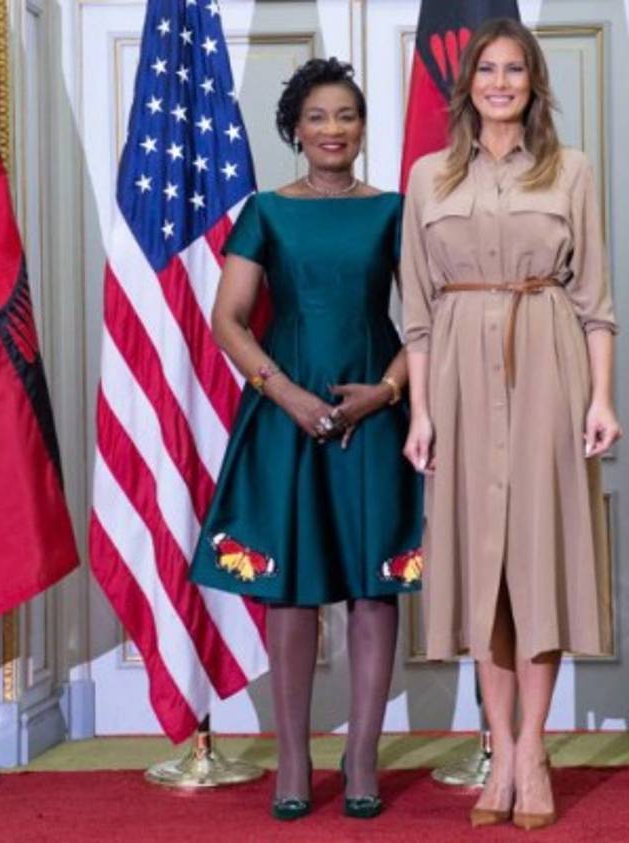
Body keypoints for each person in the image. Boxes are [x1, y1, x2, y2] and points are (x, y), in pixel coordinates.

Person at [400, 18, 622, 831]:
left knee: (540, 565)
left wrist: (600, 400)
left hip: (549, 369)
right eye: (487, 69)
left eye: (515, 70)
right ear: (468, 85)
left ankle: (533, 750)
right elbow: (416, 315)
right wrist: (420, 413)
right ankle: (498, 747)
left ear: (534, 84)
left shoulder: (574, 171)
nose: (500, 82)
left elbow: (597, 302)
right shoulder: (427, 177)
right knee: (480, 572)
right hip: (456, 379)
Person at [189, 57, 422, 822]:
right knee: (289, 588)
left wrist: (385, 392)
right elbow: (228, 317)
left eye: (346, 115)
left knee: (370, 583)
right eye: (317, 117)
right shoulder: (266, 210)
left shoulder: (393, 209)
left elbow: (424, 320)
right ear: (294, 128)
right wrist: (286, 393)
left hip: (374, 412)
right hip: (285, 417)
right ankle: (293, 752)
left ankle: (362, 753)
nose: (332, 129)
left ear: (362, 127)